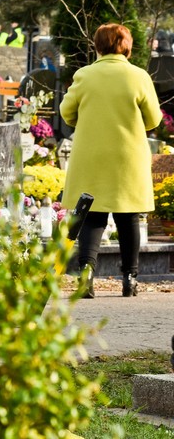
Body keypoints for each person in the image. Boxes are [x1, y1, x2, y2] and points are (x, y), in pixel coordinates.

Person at [60, 23, 162, 299]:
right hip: (127, 156)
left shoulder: (84, 75)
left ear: (98, 45)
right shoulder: (139, 76)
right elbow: (154, 119)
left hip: (90, 155)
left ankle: (86, 274)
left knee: (92, 216)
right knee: (128, 217)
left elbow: (67, 113)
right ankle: (129, 278)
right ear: (127, 46)